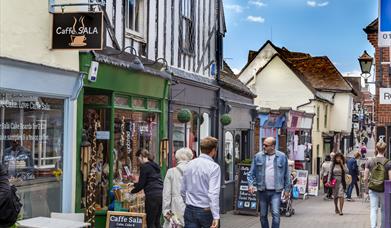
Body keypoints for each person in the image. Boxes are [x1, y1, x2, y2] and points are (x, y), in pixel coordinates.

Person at [247, 137, 290, 228]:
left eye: (266, 145)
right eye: (263, 144)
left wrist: (287, 190)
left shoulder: (282, 156)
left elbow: (287, 174)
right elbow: (251, 173)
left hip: (276, 191)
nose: (263, 147)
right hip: (262, 190)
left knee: (275, 214)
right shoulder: (258, 156)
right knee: (263, 215)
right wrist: (250, 185)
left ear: (273, 146)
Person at [181, 136, 220, 228]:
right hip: (206, 210)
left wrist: (187, 202)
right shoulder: (214, 167)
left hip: (190, 209)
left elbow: (182, 189)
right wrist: (216, 216)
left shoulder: (189, 164)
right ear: (213, 150)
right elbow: (213, 193)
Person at [131, 149, 163, 228]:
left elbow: (141, 184)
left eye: (138, 158)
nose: (138, 161)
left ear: (141, 156)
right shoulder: (154, 165)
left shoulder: (145, 166)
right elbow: (149, 180)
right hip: (161, 194)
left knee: (150, 222)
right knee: (157, 221)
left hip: (152, 196)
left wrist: (131, 191)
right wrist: (134, 184)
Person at [162, 148, 193, 228]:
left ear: (177, 158)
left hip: (175, 207)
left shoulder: (171, 172)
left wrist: (166, 212)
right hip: (192, 206)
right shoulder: (194, 171)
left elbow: (166, 194)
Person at [364, 141, 391, 228]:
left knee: (373, 209)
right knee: (384, 210)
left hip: (373, 188)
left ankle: (373, 226)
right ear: (385, 150)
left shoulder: (369, 161)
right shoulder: (388, 162)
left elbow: (365, 178)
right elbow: (390, 179)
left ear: (376, 149)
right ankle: (383, 226)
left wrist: (366, 190)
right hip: (384, 190)